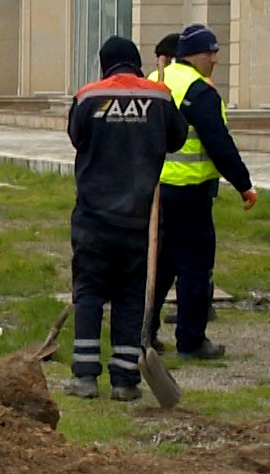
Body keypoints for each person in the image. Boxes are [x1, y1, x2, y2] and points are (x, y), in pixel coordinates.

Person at [62, 36, 188, 401]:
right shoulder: (159, 96)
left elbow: (76, 136)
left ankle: (85, 377)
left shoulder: (88, 96)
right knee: (131, 295)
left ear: (105, 63)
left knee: (88, 293)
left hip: (93, 216)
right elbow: (177, 139)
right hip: (140, 218)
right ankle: (125, 379)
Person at [153, 23, 257, 359]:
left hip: (154, 191)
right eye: (209, 52)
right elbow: (218, 143)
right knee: (195, 266)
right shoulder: (199, 91)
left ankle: (145, 331)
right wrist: (244, 184)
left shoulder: (155, 82)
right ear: (192, 56)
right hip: (189, 190)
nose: (214, 59)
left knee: (159, 264)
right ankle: (192, 340)